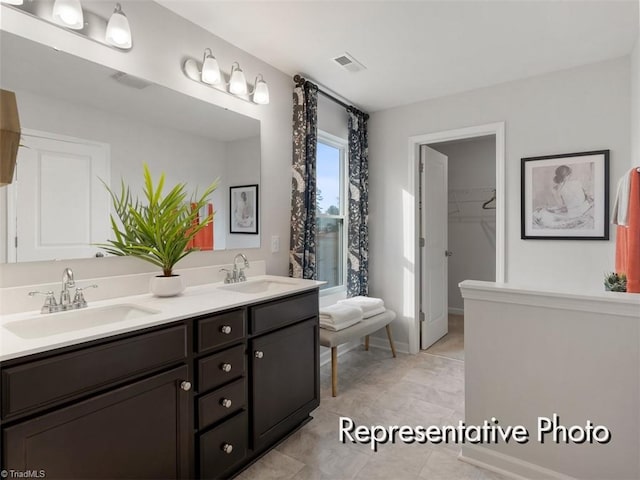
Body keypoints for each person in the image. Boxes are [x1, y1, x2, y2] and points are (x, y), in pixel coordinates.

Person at [533, 165, 593, 229]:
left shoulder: (558, 189)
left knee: (543, 212)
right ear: (568, 175)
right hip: (584, 207)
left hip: (573, 213)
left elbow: (561, 205)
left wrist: (553, 209)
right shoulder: (577, 182)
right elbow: (584, 195)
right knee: (549, 211)